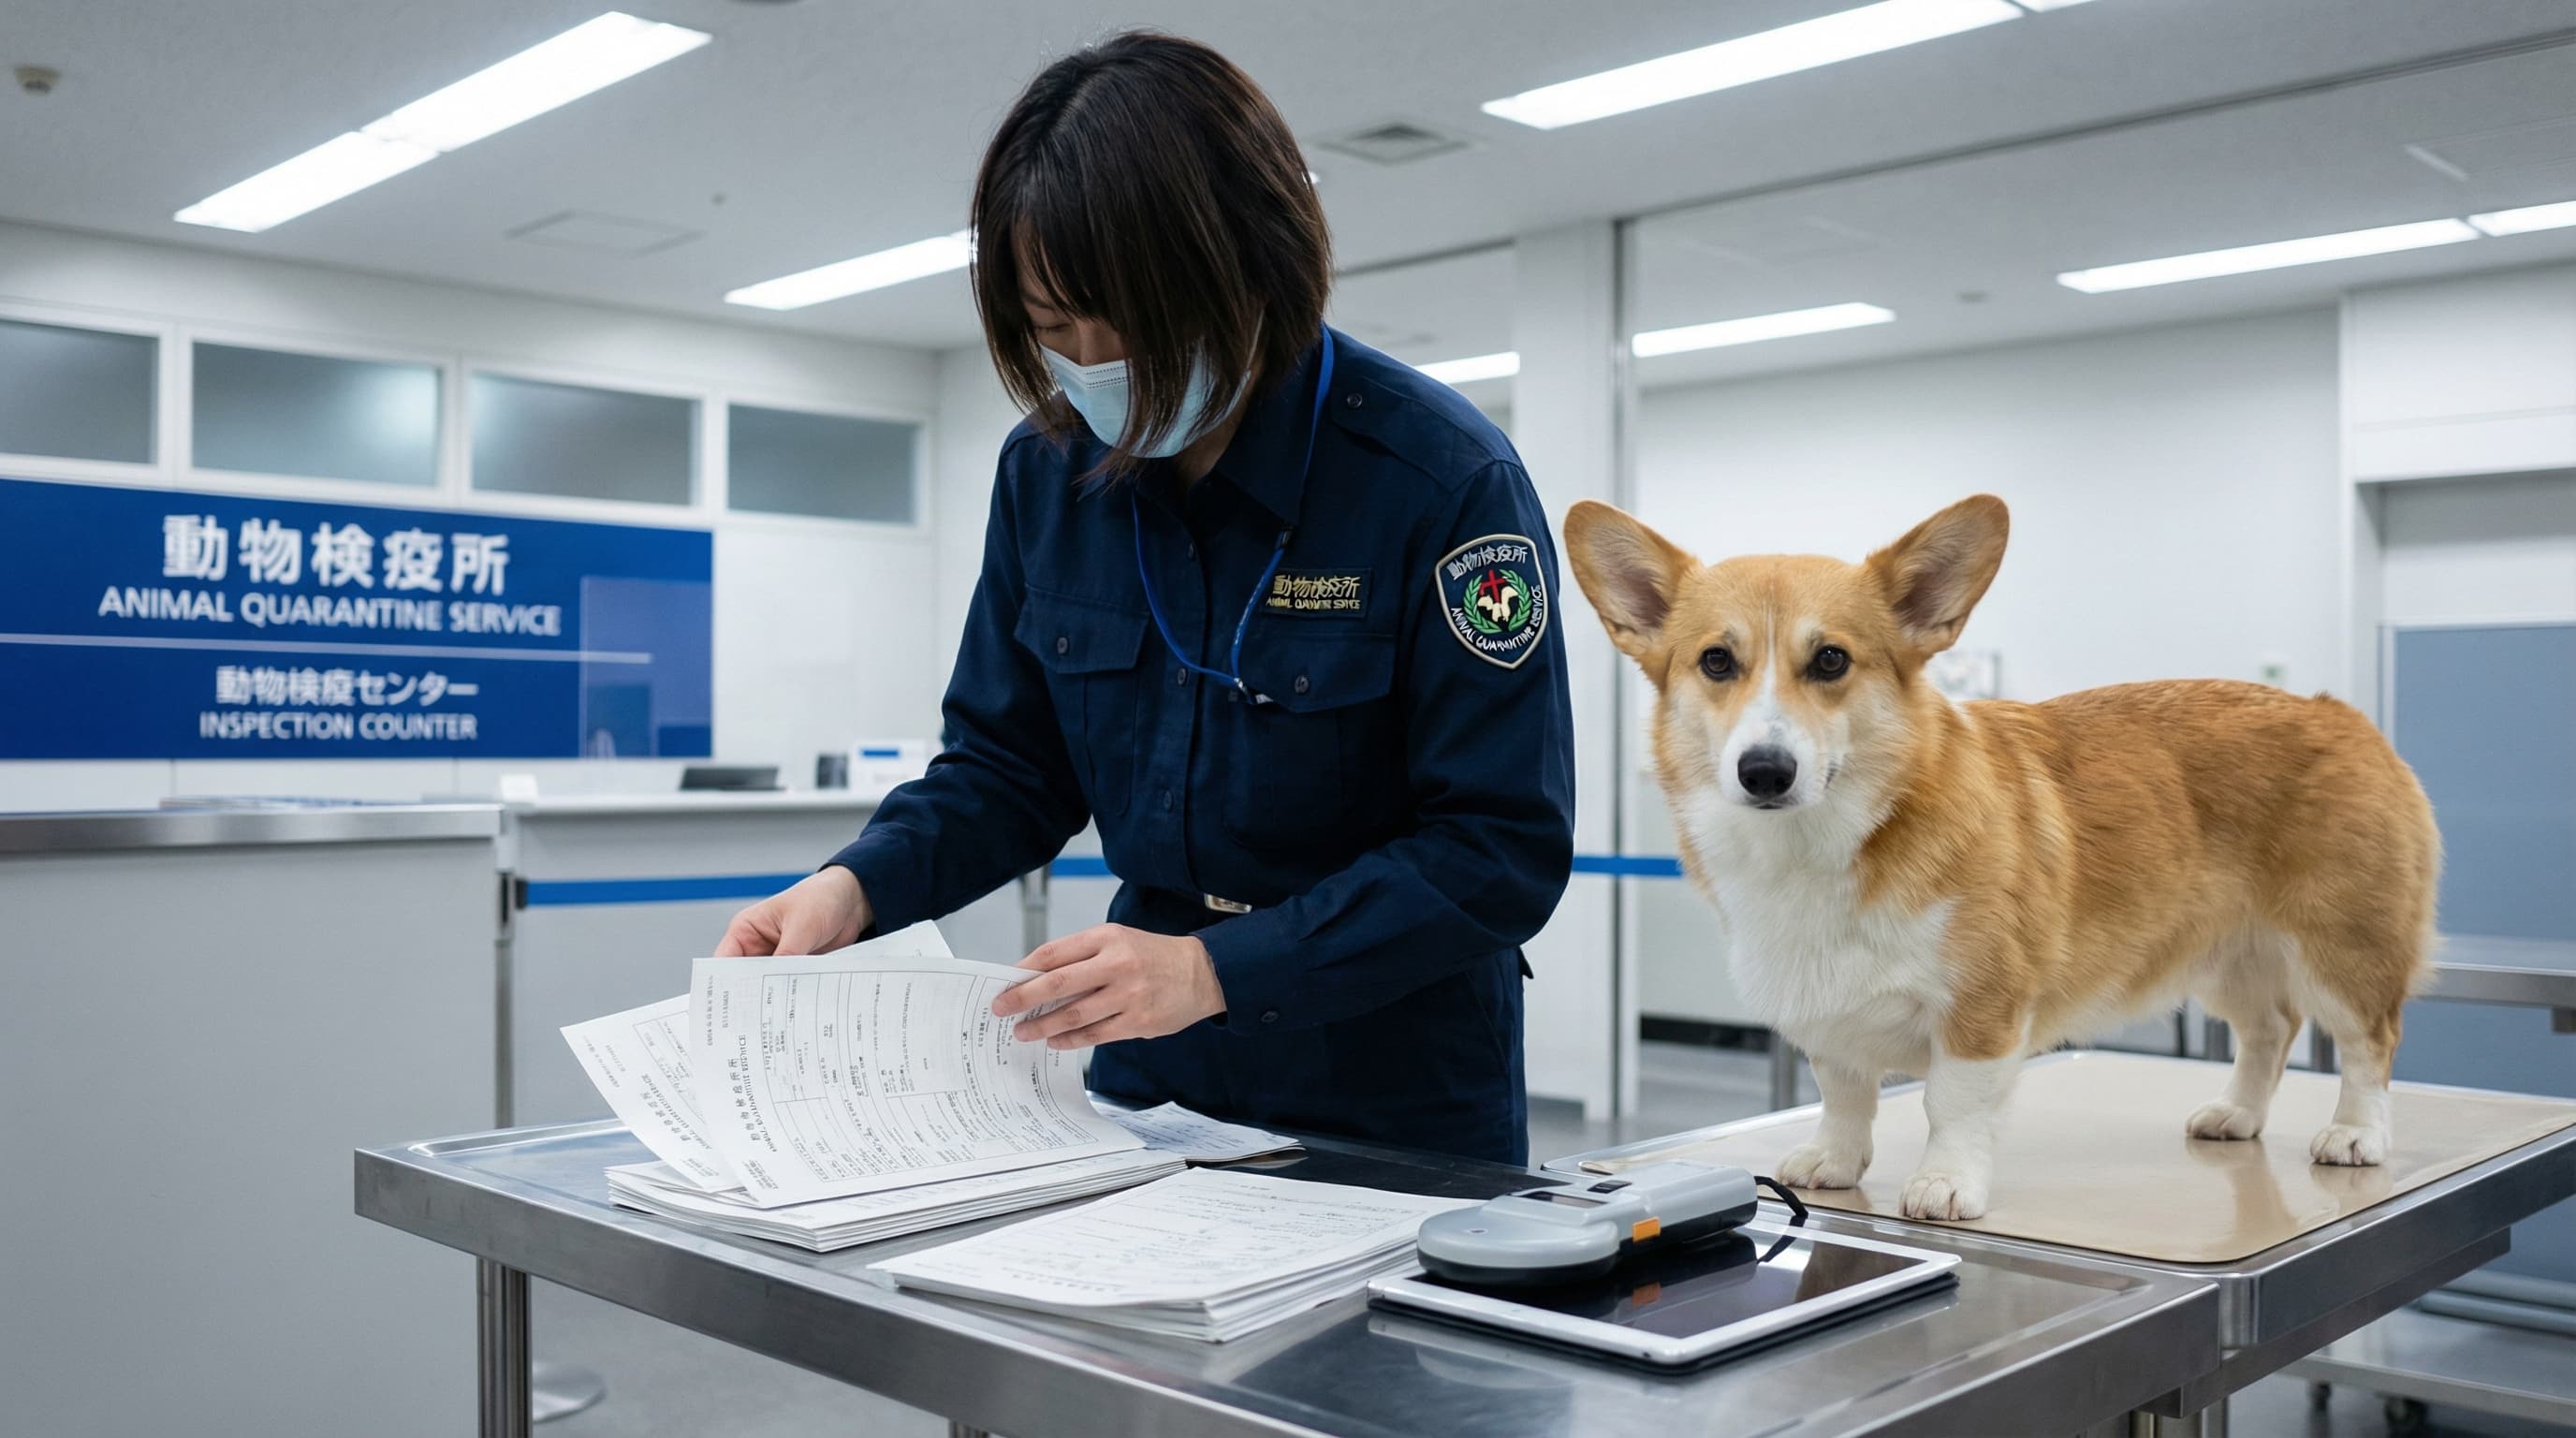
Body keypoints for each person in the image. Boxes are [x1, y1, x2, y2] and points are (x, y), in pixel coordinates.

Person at [717, 31, 1573, 1163]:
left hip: (1393, 1081)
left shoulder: (1443, 482)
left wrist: (1216, 971)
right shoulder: (1048, 474)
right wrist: (856, 886)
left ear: (1248, 268)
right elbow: (1007, 770)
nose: (1095, 362)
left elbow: (1496, 846)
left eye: (1129, 323)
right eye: (1055, 328)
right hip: (1143, 1062)